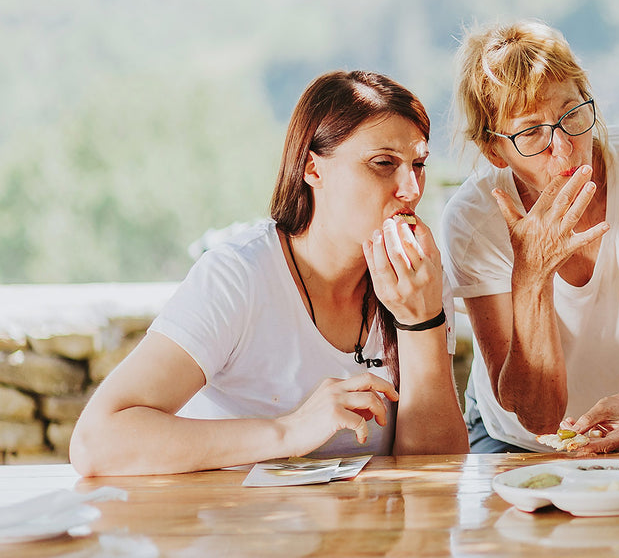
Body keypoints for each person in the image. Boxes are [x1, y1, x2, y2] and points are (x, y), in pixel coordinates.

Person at [70, 71, 469, 476]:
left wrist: (421, 321)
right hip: (233, 531)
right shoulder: (238, 275)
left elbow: (434, 472)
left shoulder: (421, 281)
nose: (411, 189)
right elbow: (96, 443)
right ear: (313, 170)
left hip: (363, 534)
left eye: (418, 164)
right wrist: (287, 432)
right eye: (383, 163)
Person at [443, 20, 619, 454]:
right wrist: (531, 275)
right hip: (515, 439)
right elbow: (539, 415)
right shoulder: (474, 220)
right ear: (495, 150)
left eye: (572, 114)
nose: (564, 148)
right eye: (530, 132)